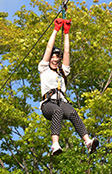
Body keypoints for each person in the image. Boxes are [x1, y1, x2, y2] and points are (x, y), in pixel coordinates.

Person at [38, 17, 99, 156]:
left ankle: (88, 142)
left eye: (57, 58)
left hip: (61, 101)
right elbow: (48, 48)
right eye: (53, 57)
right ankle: (55, 145)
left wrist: (66, 33)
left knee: (72, 112)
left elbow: (67, 52)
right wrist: (56, 30)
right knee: (57, 112)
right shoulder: (44, 68)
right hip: (48, 104)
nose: (55, 59)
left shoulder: (62, 72)